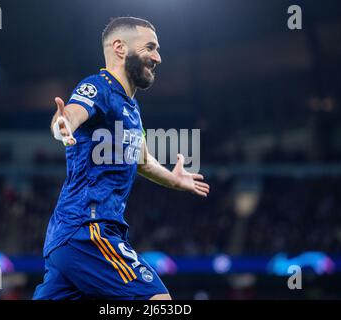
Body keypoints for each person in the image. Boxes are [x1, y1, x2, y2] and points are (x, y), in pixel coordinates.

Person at [33, 16, 210, 300]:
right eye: (150, 48)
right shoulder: (98, 87)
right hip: (88, 230)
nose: (158, 57)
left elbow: (141, 160)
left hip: (68, 239)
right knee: (158, 302)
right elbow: (71, 114)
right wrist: (62, 124)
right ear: (119, 47)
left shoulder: (131, 107)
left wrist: (174, 179)